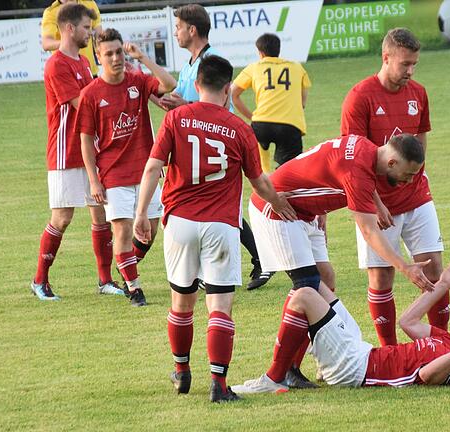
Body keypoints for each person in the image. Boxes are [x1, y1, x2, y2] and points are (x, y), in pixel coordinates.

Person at [133, 55, 295, 402]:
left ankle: (181, 369)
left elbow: (151, 169)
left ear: (199, 84)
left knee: (181, 303)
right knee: (219, 306)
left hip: (179, 223)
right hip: (221, 225)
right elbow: (259, 183)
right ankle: (219, 385)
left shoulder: (176, 118)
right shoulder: (239, 129)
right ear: (226, 89)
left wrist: (140, 214)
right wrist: (279, 203)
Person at [248, 133, 436, 387]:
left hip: (308, 212)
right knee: (307, 285)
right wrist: (405, 267)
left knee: (325, 279)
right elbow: (369, 231)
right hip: (278, 209)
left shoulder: (367, 148)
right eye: (409, 173)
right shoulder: (357, 172)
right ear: (392, 162)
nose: (410, 180)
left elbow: (336, 170)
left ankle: (295, 365)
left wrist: (377, 204)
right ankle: (278, 374)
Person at [232, 257, 450, 394]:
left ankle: (275, 377)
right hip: (362, 352)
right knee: (314, 283)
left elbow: (427, 376)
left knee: (305, 296)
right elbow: (408, 322)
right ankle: (292, 373)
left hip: (356, 369)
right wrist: (441, 285)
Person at [341, 28, 446, 347]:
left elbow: (421, 138)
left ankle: (440, 343)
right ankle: (389, 350)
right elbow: (352, 158)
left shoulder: (418, 93)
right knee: (381, 277)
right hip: (377, 204)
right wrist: (374, 202)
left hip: (417, 197)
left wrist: (417, 173)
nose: (410, 71)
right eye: (405, 64)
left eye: (415, 64)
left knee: (435, 270)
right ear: (386, 58)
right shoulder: (360, 97)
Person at [161, 3, 271, 291]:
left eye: (178, 27)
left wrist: (183, 107)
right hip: (195, 139)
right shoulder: (190, 65)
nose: (176, 33)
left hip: (219, 141)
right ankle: (258, 260)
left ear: (192, 29)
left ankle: (262, 261)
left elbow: (225, 106)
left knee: (223, 210)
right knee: (219, 212)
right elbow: (185, 103)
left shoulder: (212, 63)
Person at [77, 29, 177, 307]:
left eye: (119, 51)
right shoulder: (90, 94)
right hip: (114, 175)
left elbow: (168, 84)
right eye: (109, 53)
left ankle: (126, 267)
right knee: (122, 230)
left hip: (147, 172)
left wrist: (143, 57)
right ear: (98, 55)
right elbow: (85, 140)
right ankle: (134, 288)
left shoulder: (137, 81)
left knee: (150, 231)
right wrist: (94, 180)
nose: (116, 58)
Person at [30, 2, 115, 301]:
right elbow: (83, 105)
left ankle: (105, 280)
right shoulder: (56, 64)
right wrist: (113, 105)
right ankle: (40, 280)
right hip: (65, 151)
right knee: (62, 217)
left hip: (87, 150)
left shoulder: (82, 62)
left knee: (100, 213)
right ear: (69, 28)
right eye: (86, 28)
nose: (90, 33)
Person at [231, 33, 312, 173]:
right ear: (279, 50)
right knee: (290, 170)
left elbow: (233, 94)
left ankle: (264, 190)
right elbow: (303, 102)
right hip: (290, 125)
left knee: (261, 171)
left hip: (261, 125)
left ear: (260, 52)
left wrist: (251, 117)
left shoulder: (254, 67)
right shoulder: (297, 68)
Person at [41, 0, 102, 76]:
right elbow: (46, 43)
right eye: (86, 27)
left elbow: (99, 35)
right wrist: (70, 42)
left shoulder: (89, 3)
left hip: (89, 70)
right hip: (66, 70)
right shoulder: (51, 12)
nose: (89, 32)